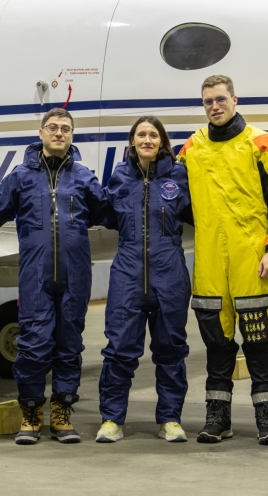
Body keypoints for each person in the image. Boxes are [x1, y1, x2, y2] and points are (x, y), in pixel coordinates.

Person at [178, 75, 268, 445]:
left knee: (259, 343)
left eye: (220, 99)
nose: (214, 106)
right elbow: (171, 193)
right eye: (208, 101)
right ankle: (217, 419)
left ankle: (267, 421)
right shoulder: (191, 148)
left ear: (234, 99)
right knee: (217, 346)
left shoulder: (263, 142)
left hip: (252, 261)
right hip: (210, 264)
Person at [0, 107, 110, 445]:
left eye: (65, 129)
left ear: (71, 135)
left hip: (75, 276)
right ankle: (30, 414)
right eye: (52, 128)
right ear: (40, 133)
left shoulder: (83, 177)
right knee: (33, 346)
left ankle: (62, 414)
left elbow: (109, 212)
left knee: (69, 346)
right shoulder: (20, 177)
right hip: (35, 277)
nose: (58, 133)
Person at [95, 116, 193, 444]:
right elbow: (108, 215)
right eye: (141, 135)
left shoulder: (179, 175)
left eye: (153, 135)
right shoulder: (120, 177)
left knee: (171, 350)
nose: (147, 140)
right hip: (127, 274)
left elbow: (198, 213)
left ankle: (170, 419)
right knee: (120, 349)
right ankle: (111, 419)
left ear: (161, 141)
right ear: (133, 141)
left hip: (170, 274)